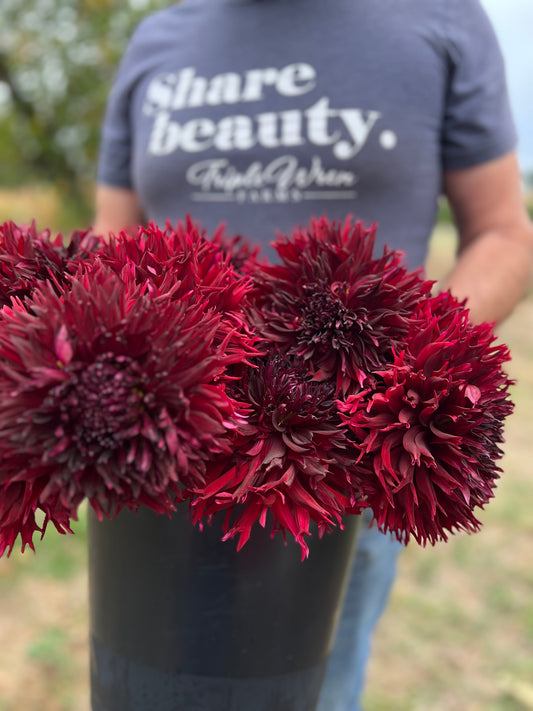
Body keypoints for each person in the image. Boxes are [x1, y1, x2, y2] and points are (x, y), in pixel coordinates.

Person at [93, 1, 533, 708]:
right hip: (153, 449)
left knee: (311, 690)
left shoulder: (440, 17)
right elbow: (114, 241)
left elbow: (504, 234)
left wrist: (409, 374)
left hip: (337, 462)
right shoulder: (158, 38)